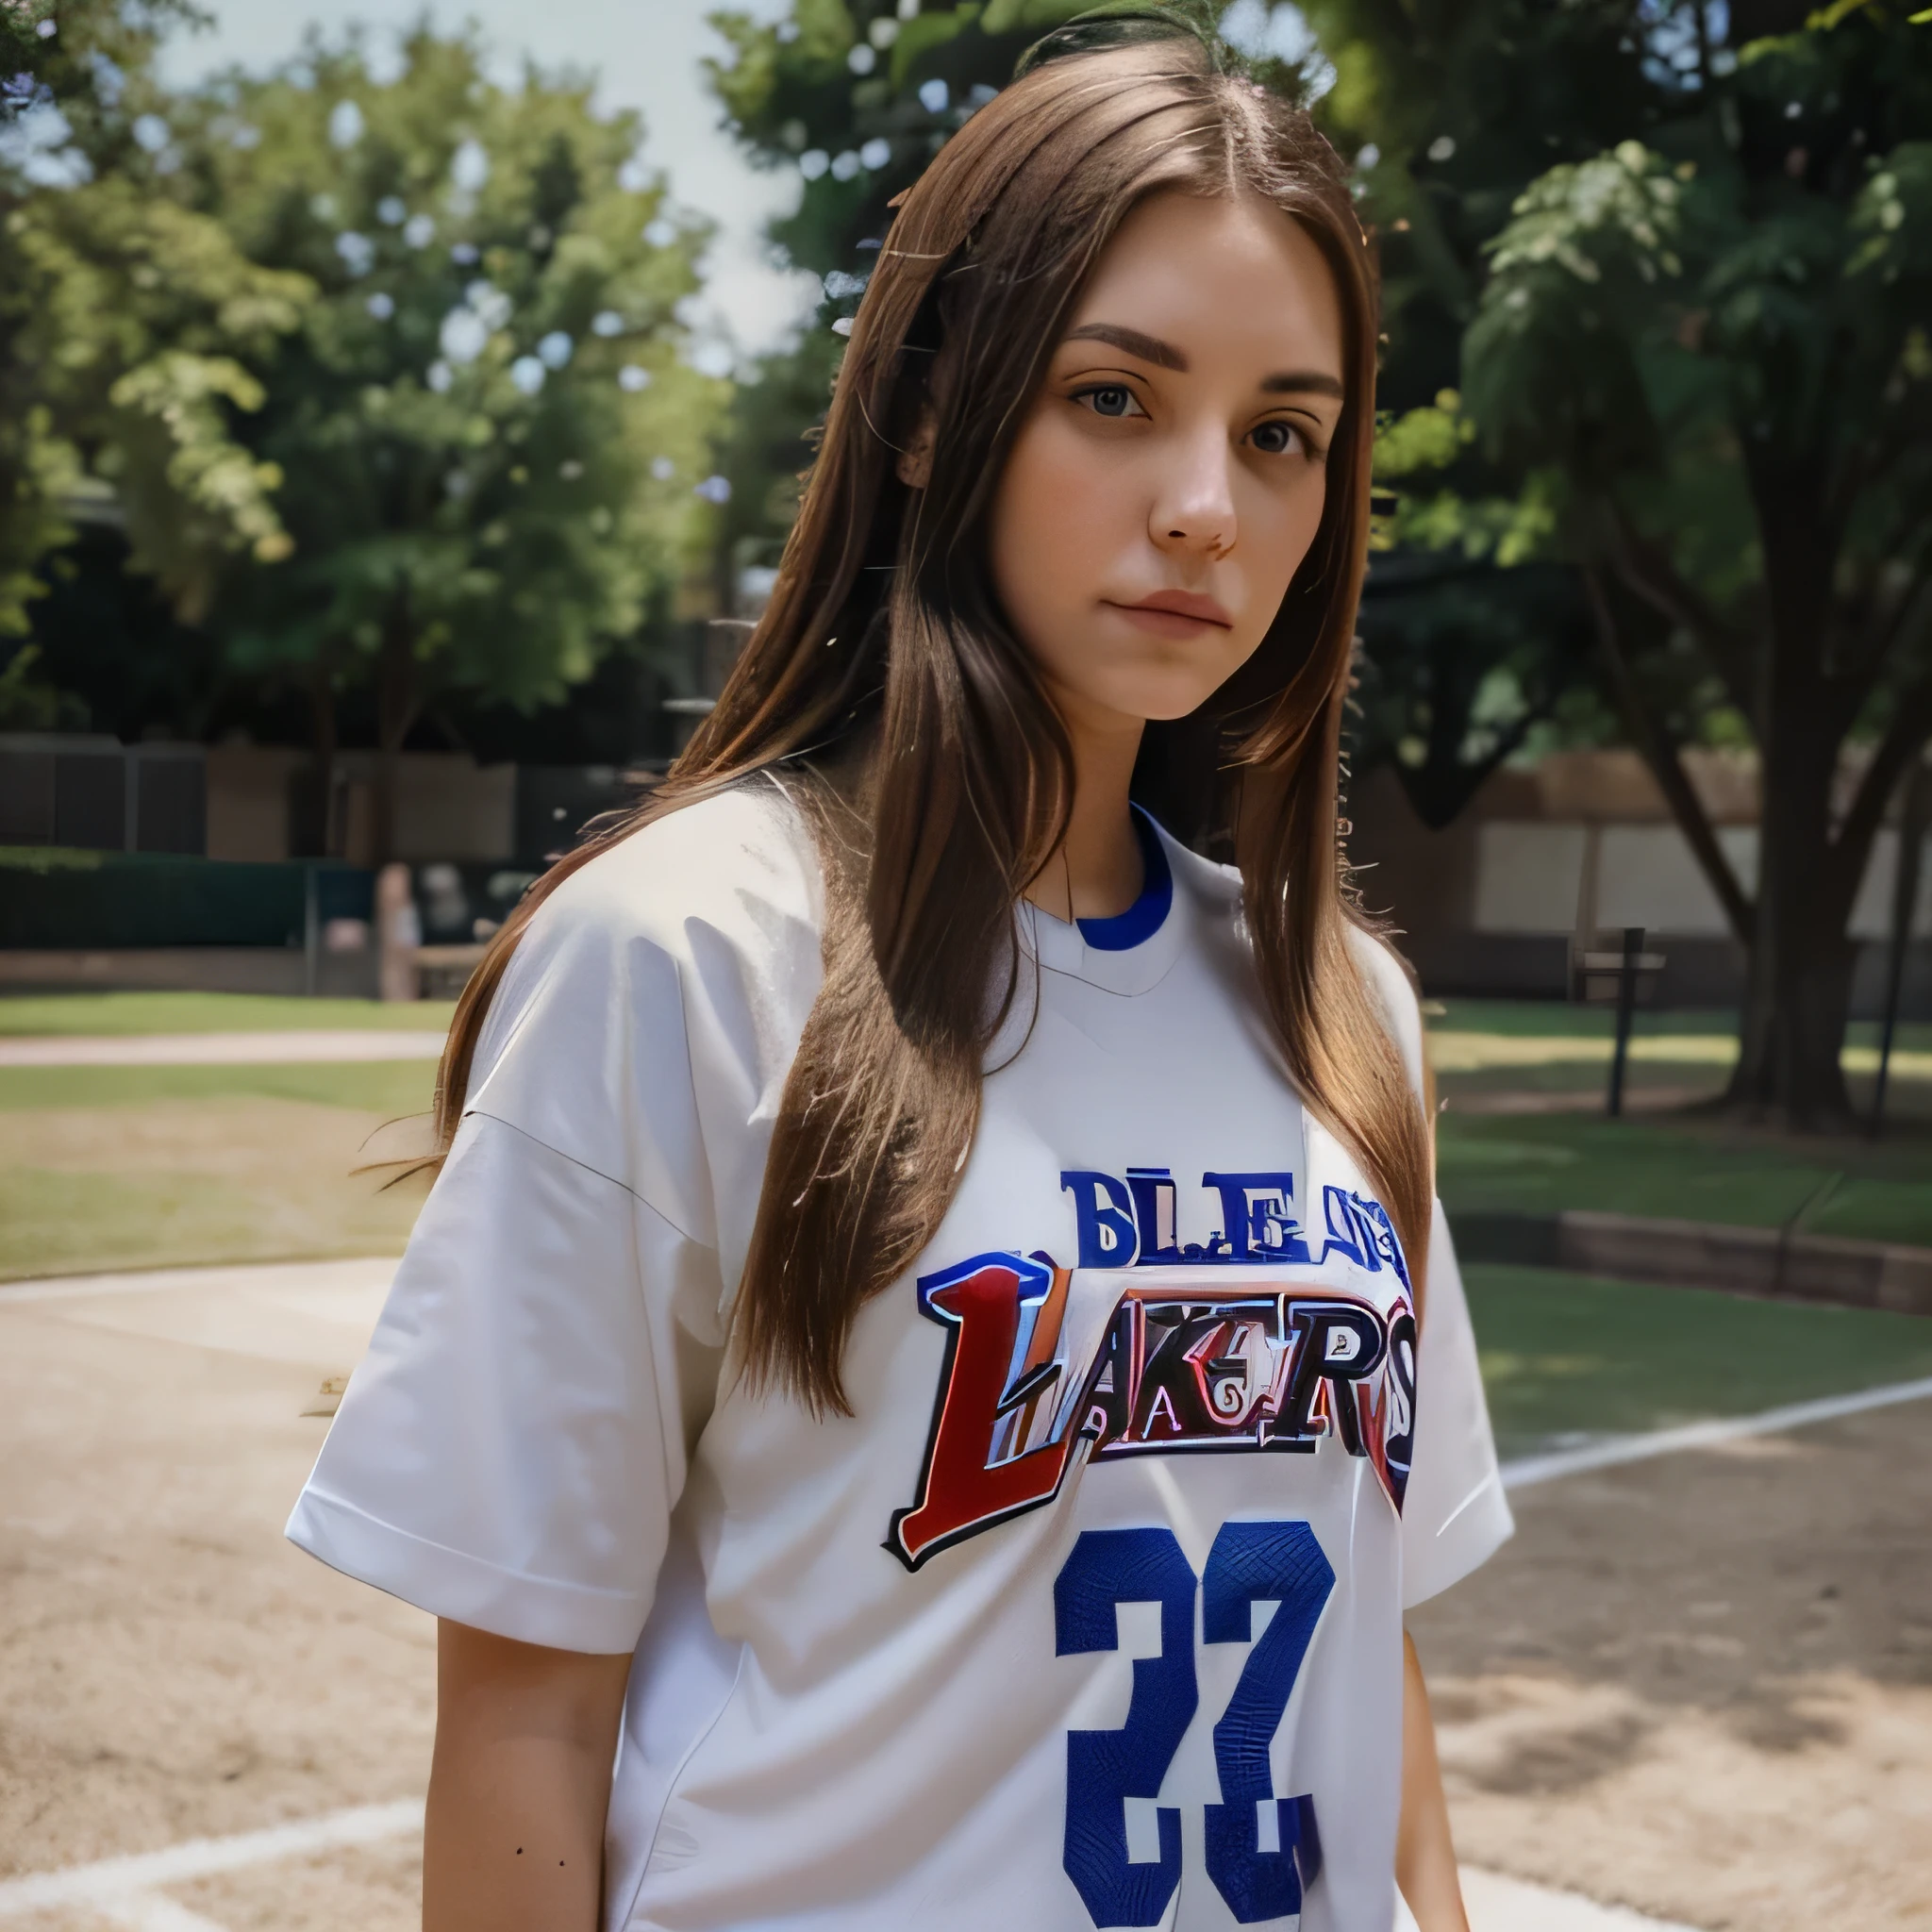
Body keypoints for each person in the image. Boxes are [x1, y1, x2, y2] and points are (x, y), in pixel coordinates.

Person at [288, 15, 1512, 1930]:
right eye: (1117, 396)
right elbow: (527, 1704)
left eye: (1281, 434)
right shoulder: (685, 951)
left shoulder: (1347, 1010)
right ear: (936, 413)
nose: (1208, 502)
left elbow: (1370, 1641)